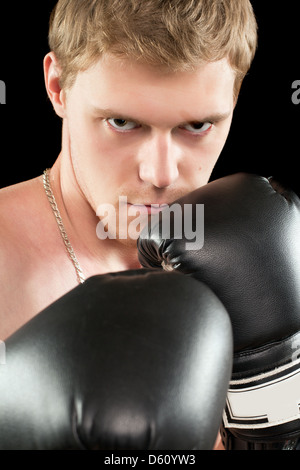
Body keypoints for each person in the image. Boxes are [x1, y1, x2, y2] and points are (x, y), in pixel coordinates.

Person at [0, 0, 258, 449]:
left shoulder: (259, 266)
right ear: (58, 87)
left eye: (196, 126)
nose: (160, 174)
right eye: (122, 123)